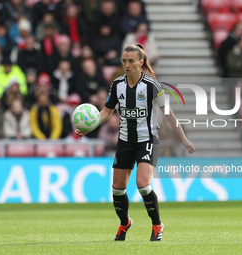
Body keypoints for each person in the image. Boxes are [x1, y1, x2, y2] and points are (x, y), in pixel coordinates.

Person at [75, 44, 195, 241]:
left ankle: (157, 225)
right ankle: (124, 223)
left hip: (147, 139)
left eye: (131, 61)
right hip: (125, 140)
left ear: (140, 63)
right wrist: (89, 126)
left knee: (142, 184)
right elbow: (106, 112)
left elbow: (167, 113)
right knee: (117, 188)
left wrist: (183, 138)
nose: (127, 65)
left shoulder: (152, 85)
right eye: (124, 61)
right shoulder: (117, 85)